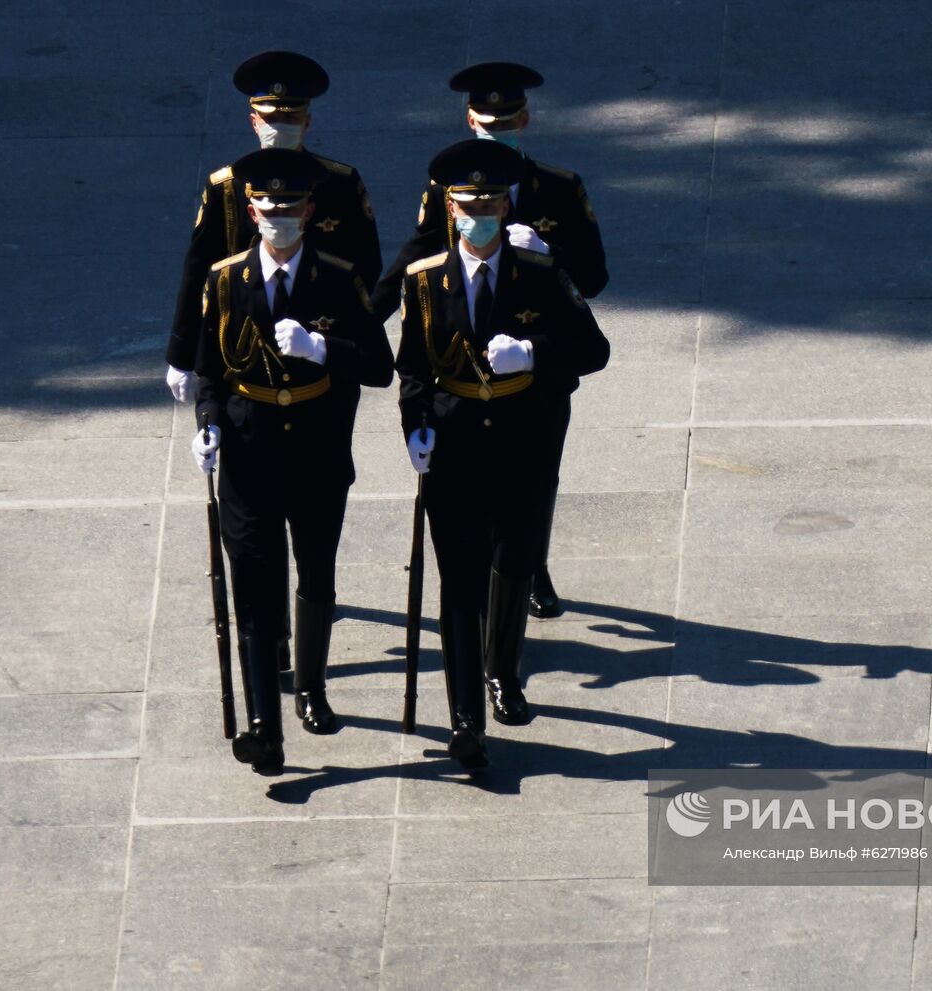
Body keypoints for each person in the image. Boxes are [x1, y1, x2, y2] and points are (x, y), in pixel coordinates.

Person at [394, 139, 609, 769]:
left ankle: (503, 675)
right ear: (450, 208)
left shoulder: (540, 271)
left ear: (507, 203)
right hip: (455, 443)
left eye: (491, 200)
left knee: (515, 561)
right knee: (459, 579)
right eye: (468, 202)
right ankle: (465, 717)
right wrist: (414, 427)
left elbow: (594, 350)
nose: (480, 211)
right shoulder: (425, 280)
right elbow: (413, 369)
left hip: (525, 436)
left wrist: (535, 354)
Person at [168, 50, 382, 670]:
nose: (280, 124)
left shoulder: (339, 182)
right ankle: (273, 633)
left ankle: (311, 615)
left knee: (317, 483)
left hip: (318, 354)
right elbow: (197, 273)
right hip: (242, 356)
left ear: (309, 121)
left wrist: (345, 338)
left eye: (292, 115)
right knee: (254, 514)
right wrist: (183, 353)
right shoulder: (228, 185)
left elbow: (366, 270)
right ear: (250, 118)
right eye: (269, 114)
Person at [374, 61, 608, 621]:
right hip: (467, 357)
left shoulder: (559, 188)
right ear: (469, 119)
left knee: (538, 473)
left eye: (506, 119)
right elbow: (420, 251)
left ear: (524, 119)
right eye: (484, 119)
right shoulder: (449, 187)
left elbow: (594, 278)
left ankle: (533, 566)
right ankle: (512, 568)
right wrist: (367, 313)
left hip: (539, 364)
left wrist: (550, 257)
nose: (494, 128)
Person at [191, 148, 394, 775]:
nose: (278, 217)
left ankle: (311, 690)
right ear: (251, 211)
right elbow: (210, 370)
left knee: (315, 571)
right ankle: (264, 728)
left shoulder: (337, 277)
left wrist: (322, 347)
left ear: (309, 211)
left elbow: (380, 367)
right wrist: (207, 425)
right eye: (267, 207)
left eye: (291, 208)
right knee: (253, 584)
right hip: (250, 457)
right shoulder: (226, 280)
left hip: (315, 449)